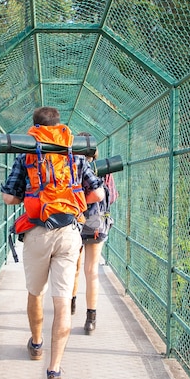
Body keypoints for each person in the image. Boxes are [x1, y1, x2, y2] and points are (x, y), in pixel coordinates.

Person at [1, 107, 104, 379]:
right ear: (60, 126)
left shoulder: (26, 155)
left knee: (36, 292)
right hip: (69, 232)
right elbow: (97, 194)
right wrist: (70, 200)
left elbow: (10, 196)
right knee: (62, 301)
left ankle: (36, 344)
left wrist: (28, 193)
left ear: (33, 128)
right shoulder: (74, 154)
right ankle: (54, 372)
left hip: (36, 231)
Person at [71, 135, 118, 335]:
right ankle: (91, 319)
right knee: (92, 271)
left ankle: (70, 305)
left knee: (73, 266)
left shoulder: (72, 167)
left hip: (74, 222)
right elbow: (113, 197)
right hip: (97, 224)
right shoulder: (103, 170)